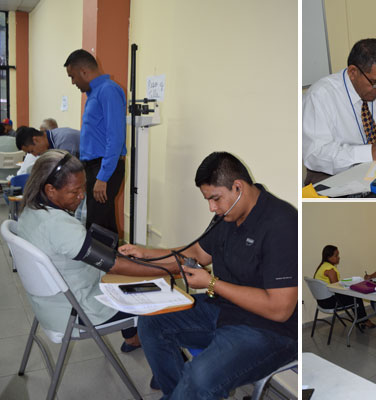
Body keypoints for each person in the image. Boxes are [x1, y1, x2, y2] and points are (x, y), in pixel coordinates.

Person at [118, 152, 297, 399]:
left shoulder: (282, 223)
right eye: (208, 200)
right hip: (225, 309)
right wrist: (146, 253)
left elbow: (279, 309)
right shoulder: (228, 215)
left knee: (199, 377)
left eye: (215, 198)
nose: (212, 208)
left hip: (270, 331)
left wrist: (212, 283)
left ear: (238, 187)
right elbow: (197, 254)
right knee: (151, 323)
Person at [16, 150, 181, 352]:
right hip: (79, 310)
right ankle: (172, 367)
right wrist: (171, 270)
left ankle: (132, 338)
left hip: (49, 307)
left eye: (83, 187)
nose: (82, 196)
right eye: (74, 191)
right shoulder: (58, 225)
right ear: (50, 190)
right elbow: (115, 266)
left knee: (129, 273)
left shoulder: (29, 212)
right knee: (165, 298)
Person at [302, 38, 376, 185]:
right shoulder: (320, 96)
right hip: (332, 174)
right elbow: (315, 155)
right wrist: (369, 152)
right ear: (353, 72)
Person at [64, 49, 126, 231]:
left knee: (96, 225)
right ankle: (115, 251)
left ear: (84, 71)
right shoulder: (94, 93)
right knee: (104, 224)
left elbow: (116, 137)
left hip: (104, 167)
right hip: (93, 167)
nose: (73, 82)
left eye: (73, 77)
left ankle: (103, 252)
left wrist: (103, 177)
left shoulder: (108, 90)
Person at [314, 245, 376, 329]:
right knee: (356, 298)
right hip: (331, 302)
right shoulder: (330, 270)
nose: (338, 257)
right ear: (329, 257)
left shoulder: (322, 267)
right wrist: (349, 287)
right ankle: (364, 321)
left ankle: (360, 320)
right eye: (336, 255)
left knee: (352, 296)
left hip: (321, 302)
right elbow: (336, 289)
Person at [16, 126, 80, 158]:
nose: (35, 155)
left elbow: (70, 169)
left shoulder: (62, 141)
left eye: (32, 151)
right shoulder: (51, 141)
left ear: (35, 140)